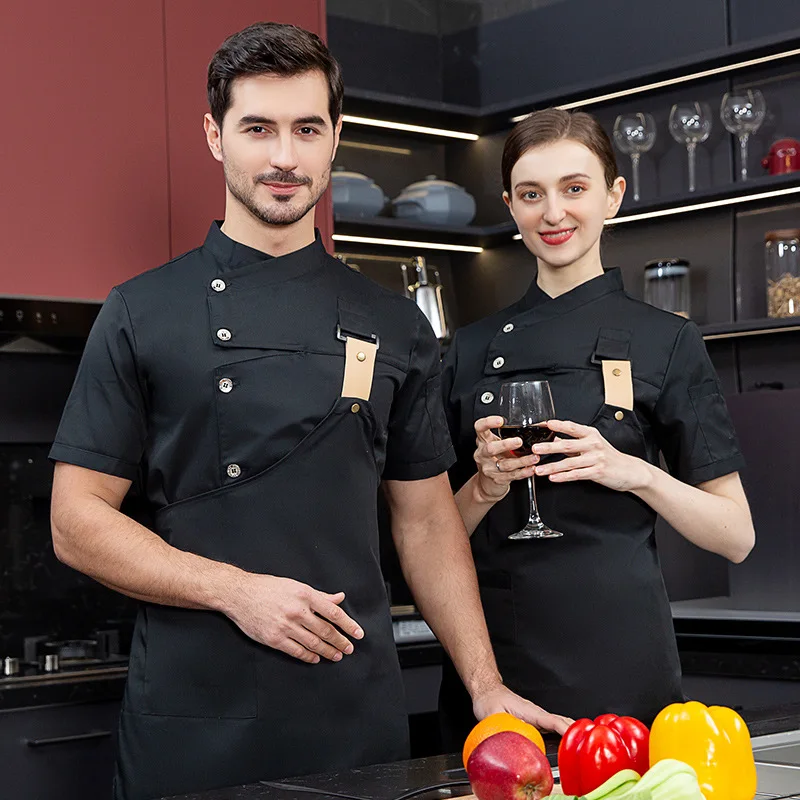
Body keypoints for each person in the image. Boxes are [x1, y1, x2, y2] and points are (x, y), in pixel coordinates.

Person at [48, 23, 570, 800]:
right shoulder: (141, 312)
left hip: (355, 717)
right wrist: (235, 590)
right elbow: (75, 522)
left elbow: (424, 522)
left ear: (335, 141)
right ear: (214, 136)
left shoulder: (396, 326)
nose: (284, 157)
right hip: (194, 721)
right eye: (258, 128)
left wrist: (485, 684)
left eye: (306, 129)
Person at [438, 108, 756, 749]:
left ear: (613, 195)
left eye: (574, 189)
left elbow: (735, 536)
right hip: (498, 667)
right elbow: (427, 538)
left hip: (621, 662)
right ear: (511, 206)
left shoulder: (668, 341)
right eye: (532, 195)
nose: (553, 213)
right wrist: (483, 488)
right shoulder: (464, 352)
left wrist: (633, 472)